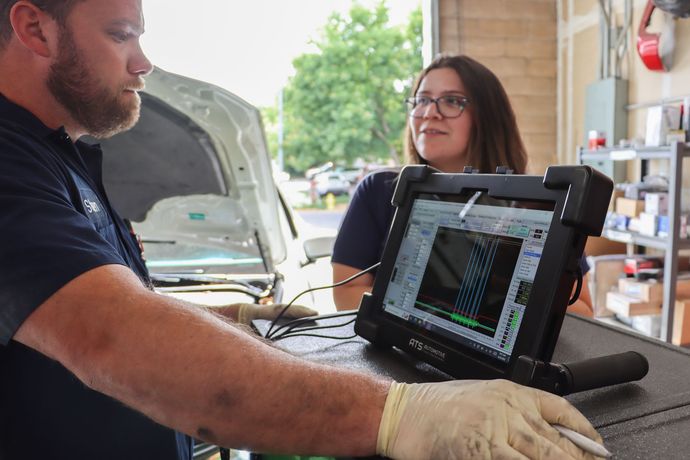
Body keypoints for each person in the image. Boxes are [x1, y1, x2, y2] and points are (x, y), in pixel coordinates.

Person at [0, 1, 604, 459]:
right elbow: (111, 336)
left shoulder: (58, 154)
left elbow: (96, 304)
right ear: (34, 28)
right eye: (120, 34)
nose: (143, 61)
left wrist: (236, 316)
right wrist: (400, 415)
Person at [332, 55, 594, 317]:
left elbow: (582, 310)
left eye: (452, 101)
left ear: (487, 116)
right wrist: (440, 320)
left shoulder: (535, 203)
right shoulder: (380, 190)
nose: (429, 112)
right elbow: (346, 294)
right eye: (422, 99)